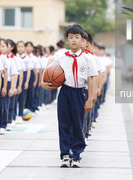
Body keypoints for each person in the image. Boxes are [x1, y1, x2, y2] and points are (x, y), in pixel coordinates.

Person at [41, 24, 98, 168]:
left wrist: (90, 99)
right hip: (65, 92)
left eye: (77, 38)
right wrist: (43, 82)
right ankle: (65, 155)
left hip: (79, 93)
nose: (74, 40)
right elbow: (49, 68)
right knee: (64, 124)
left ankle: (76, 154)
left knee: (78, 125)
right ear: (67, 40)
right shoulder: (61, 56)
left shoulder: (88, 58)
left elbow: (92, 79)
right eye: (71, 38)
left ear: (82, 40)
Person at [16, 41, 33, 123]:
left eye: (22, 46)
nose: (20, 48)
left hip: (23, 76)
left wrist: (26, 82)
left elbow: (29, 71)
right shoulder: (14, 57)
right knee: (14, 97)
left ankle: (20, 115)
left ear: (24, 48)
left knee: (22, 97)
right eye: (18, 46)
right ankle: (14, 114)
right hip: (15, 76)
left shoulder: (27, 58)